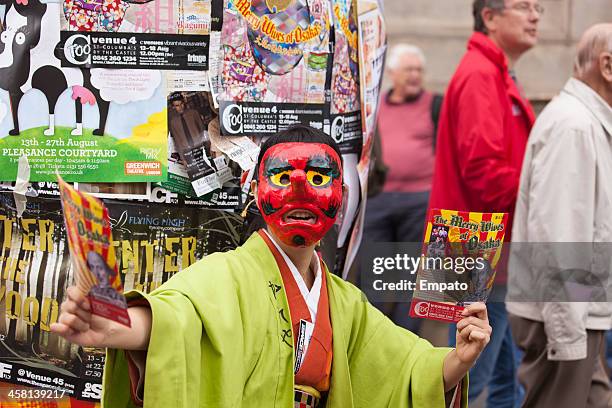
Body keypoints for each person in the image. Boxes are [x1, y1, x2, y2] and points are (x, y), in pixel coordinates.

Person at [51, 124, 492, 408]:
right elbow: (178, 315)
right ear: (257, 190)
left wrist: (460, 357)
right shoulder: (226, 275)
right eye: (283, 177)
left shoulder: (346, 303)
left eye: (319, 178)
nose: (300, 188)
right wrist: (117, 325)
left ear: (342, 195)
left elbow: (408, 372)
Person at [428, 0, 541, 406]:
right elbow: (487, 175)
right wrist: (543, 187)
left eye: (538, 7)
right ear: (490, 17)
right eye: (524, 7)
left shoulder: (492, 71)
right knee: (475, 380)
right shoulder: (480, 74)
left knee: (505, 379)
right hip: (480, 253)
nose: (535, 16)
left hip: (492, 253)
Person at [506, 23, 612, 407]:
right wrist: (568, 336)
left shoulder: (584, 123)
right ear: (607, 66)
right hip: (566, 320)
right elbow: (559, 241)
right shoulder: (575, 127)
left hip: (577, 316)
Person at [363, 44, 443, 334]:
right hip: (378, 200)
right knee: (375, 271)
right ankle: (373, 338)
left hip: (420, 201)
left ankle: (407, 340)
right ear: (393, 74)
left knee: (412, 274)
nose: (414, 76)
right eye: (408, 69)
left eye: (419, 70)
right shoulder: (376, 104)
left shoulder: (435, 104)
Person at [168, 92, 216, 171]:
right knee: (197, 172)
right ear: (173, 107)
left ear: (184, 103)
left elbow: (203, 130)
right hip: (188, 152)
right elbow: (177, 141)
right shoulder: (173, 122)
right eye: (177, 105)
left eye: (181, 104)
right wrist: (183, 158)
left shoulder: (193, 113)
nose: (180, 107)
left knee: (210, 168)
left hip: (201, 147)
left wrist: (210, 147)